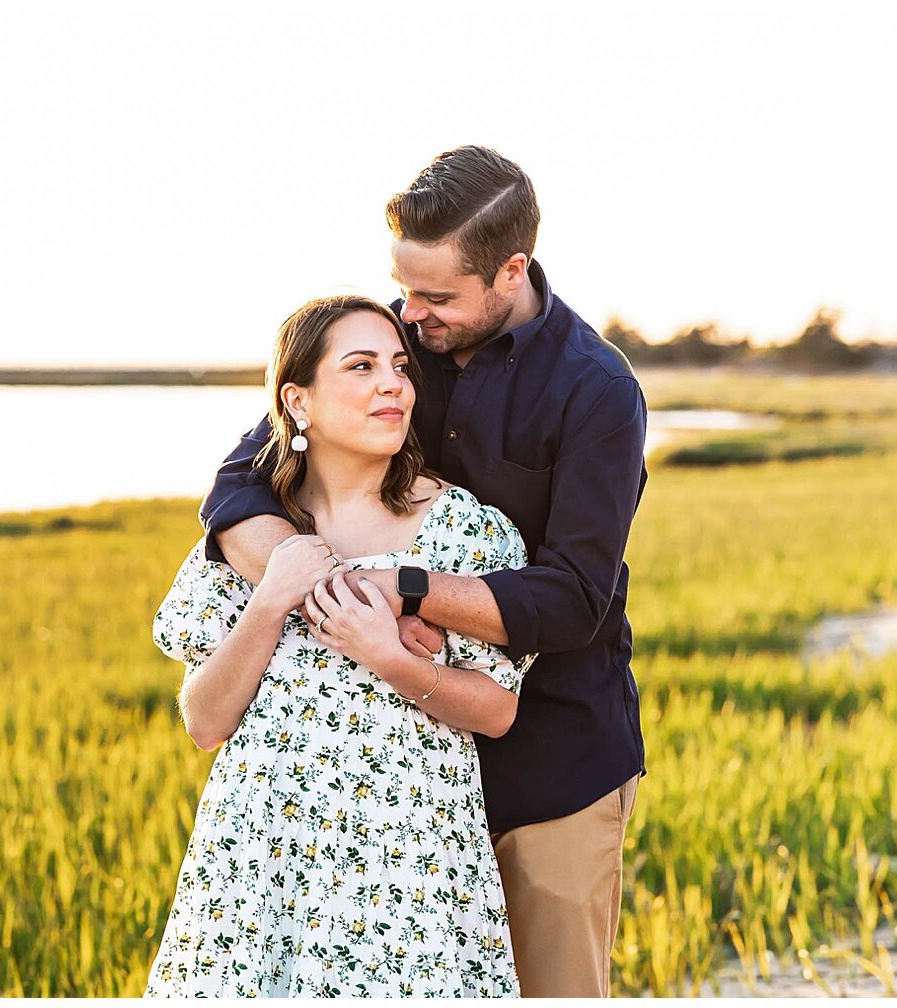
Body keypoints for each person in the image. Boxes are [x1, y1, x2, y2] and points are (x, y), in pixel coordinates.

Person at [201, 147, 647, 998]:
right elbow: (239, 486)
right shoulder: (389, 350)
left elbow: (573, 600)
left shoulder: (597, 392)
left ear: (510, 272)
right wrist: (319, 584)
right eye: (403, 289)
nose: (411, 315)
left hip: (548, 763)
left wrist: (397, 586)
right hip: (388, 777)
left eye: (436, 297)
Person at [144, 294, 535, 998]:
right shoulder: (250, 538)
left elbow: (497, 712)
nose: (393, 384)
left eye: (399, 367)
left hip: (405, 864)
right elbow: (203, 723)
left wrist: (388, 654)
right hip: (262, 861)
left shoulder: (468, 534)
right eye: (361, 366)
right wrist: (271, 600)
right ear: (298, 401)